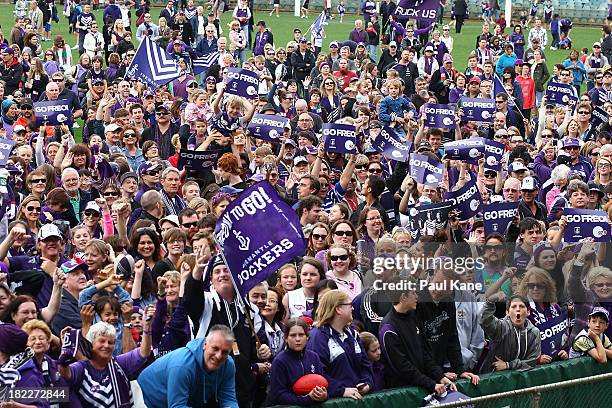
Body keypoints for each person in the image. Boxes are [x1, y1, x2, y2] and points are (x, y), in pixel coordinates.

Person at [138, 324, 239, 407]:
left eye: (225, 352)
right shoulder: (183, 365)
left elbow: (228, 399)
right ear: (205, 344)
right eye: (215, 348)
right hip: (146, 401)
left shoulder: (228, 365)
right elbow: (177, 406)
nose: (218, 356)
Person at [269, 318, 327, 405]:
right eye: (293, 335)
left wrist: (324, 395)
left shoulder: (314, 357)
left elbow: (322, 382)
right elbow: (278, 395)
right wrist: (306, 399)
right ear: (285, 338)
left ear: (307, 337)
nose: (297, 339)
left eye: (301, 335)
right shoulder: (279, 361)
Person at [479, 293, 541, 373]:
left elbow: (532, 361)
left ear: (528, 311)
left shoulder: (534, 332)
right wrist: (490, 303)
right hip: (493, 378)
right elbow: (484, 320)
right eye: (514, 307)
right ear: (507, 312)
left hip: (521, 380)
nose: (518, 309)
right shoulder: (501, 327)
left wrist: (508, 365)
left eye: (521, 306)